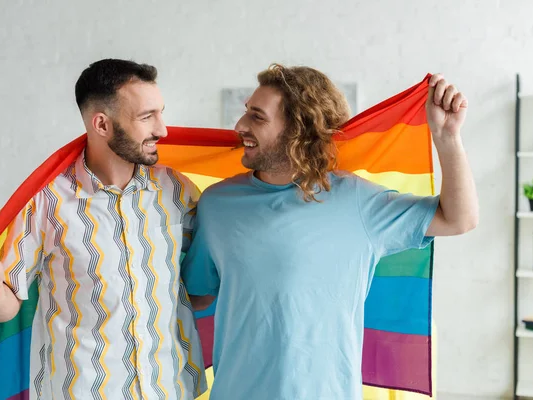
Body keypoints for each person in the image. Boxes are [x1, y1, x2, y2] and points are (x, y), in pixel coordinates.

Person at [182, 64, 478, 400]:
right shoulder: (218, 203)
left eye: (257, 116)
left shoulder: (357, 201)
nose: (240, 126)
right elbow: (198, 293)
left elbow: (459, 219)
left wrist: (447, 137)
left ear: (299, 129)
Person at [0, 59, 206, 399]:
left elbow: (201, 287)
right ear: (102, 124)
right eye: (147, 117)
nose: (162, 129)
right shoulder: (45, 200)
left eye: (160, 113)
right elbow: (8, 305)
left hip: (171, 387)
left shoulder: (179, 191)